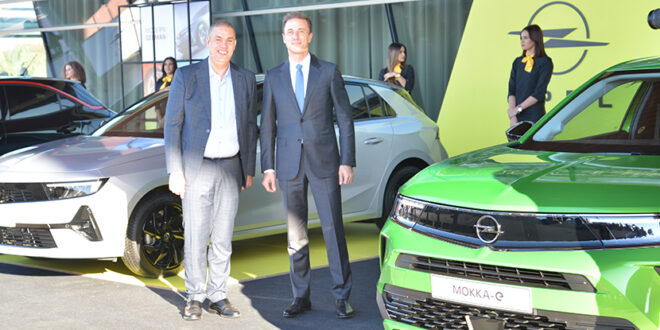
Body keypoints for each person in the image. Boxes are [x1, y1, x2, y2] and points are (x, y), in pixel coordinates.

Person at [260, 11, 356, 320]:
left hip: (325, 161)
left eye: (301, 31)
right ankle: (300, 296)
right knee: (295, 235)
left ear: (310, 36)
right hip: (288, 163)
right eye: (291, 31)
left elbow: (344, 117)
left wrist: (347, 160)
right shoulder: (273, 76)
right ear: (283, 37)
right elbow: (268, 126)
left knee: (332, 229)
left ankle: (342, 296)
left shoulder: (328, 71)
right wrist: (268, 167)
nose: (296, 36)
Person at [164, 20, 257, 321]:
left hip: (231, 167)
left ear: (235, 45)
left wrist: (248, 168)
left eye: (229, 40)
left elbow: (249, 127)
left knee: (222, 236)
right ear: (208, 41)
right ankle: (194, 295)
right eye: (218, 39)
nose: (223, 45)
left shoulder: (243, 78)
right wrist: (175, 170)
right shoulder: (187, 76)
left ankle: (218, 295)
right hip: (196, 168)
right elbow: (172, 125)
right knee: (195, 234)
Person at [507, 24, 553, 127]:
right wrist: (513, 115)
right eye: (521, 38)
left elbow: (539, 92)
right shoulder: (517, 62)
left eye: (525, 38)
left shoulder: (545, 62)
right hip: (517, 116)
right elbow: (511, 90)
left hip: (534, 116)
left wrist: (518, 109)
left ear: (535, 39)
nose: (522, 41)